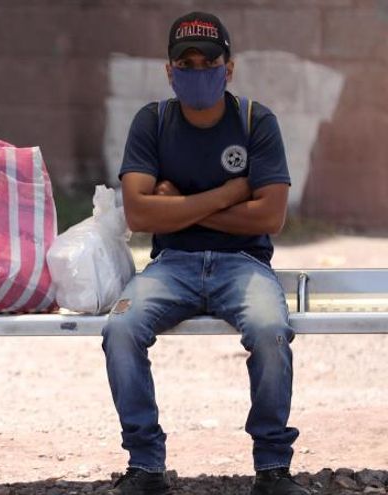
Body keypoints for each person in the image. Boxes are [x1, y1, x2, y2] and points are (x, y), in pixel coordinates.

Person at [101, 12, 308, 495]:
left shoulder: (256, 121)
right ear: (169, 70)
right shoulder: (152, 121)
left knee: (271, 332)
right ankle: (146, 465)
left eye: (208, 61)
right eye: (186, 63)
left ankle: (273, 467)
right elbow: (138, 212)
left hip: (244, 265)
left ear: (229, 68)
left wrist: (178, 206)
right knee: (121, 330)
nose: (198, 71)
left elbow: (269, 218)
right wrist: (229, 194)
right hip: (171, 266)